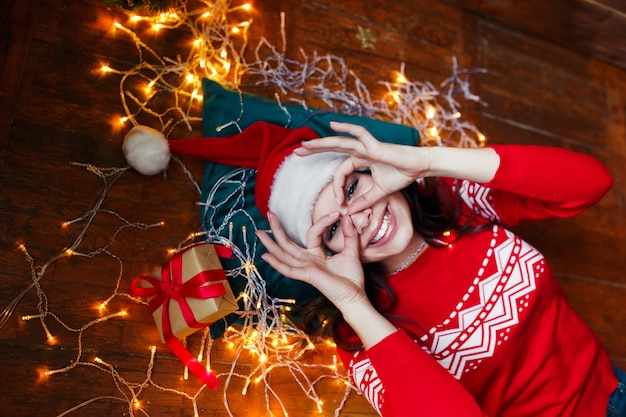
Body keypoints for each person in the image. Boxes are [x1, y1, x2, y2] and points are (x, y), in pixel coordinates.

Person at [144, 119, 623, 416]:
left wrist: (426, 161)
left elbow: (592, 183)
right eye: (332, 229)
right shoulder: (362, 339)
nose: (360, 217)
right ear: (326, 253)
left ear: (372, 169)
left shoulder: (461, 203)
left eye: (351, 189)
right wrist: (352, 301)